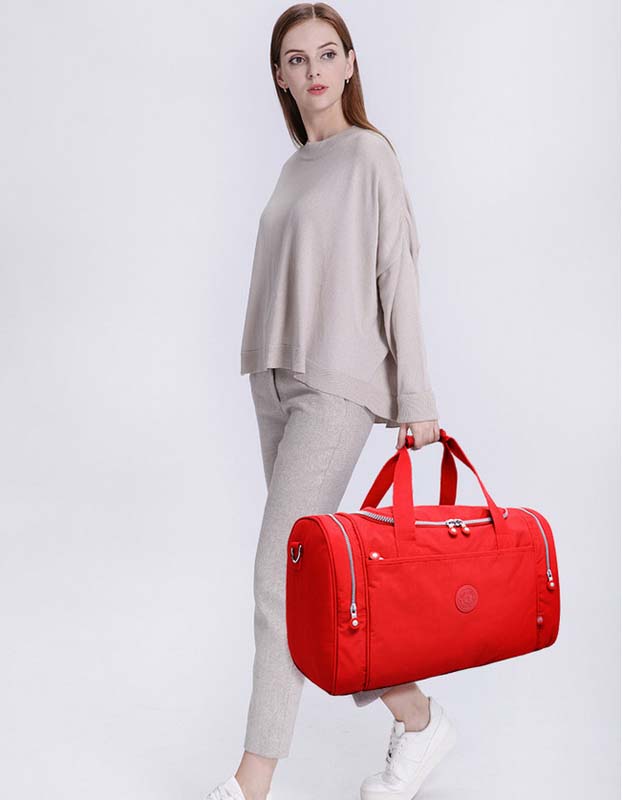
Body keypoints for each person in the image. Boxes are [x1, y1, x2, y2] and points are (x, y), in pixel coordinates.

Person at [207, 4, 457, 799]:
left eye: (326, 53)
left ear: (349, 63)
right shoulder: (295, 168)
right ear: (279, 77)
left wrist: (416, 396)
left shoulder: (369, 156)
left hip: (335, 385)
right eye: (296, 58)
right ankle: (418, 717)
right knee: (309, 582)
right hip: (274, 381)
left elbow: (397, 273)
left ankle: (251, 781)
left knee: (275, 578)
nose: (313, 70)